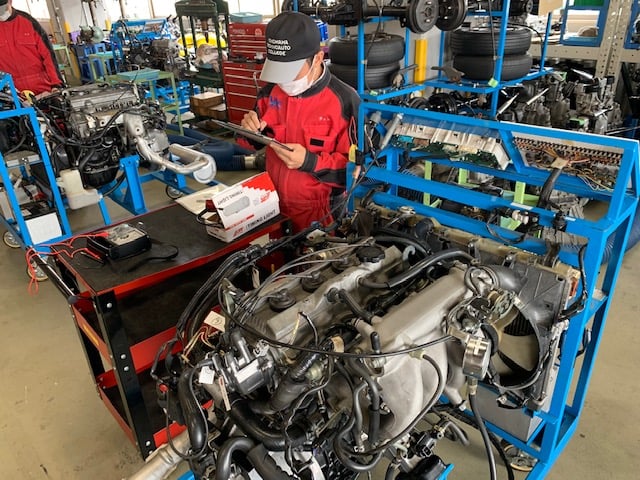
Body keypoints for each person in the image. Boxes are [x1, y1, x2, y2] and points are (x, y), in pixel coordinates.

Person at [240, 11, 360, 233]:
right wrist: (248, 131)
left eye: (291, 71)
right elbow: (248, 143)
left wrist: (310, 162)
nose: (283, 81)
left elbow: (356, 173)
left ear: (317, 58)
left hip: (321, 212)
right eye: (278, 70)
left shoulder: (345, 101)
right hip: (274, 207)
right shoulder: (269, 93)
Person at [0, 0, 65, 96]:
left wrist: (56, 84)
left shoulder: (28, 22)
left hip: (43, 88)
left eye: (1, 9)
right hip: (14, 93)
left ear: (10, 2)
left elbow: (48, 55)